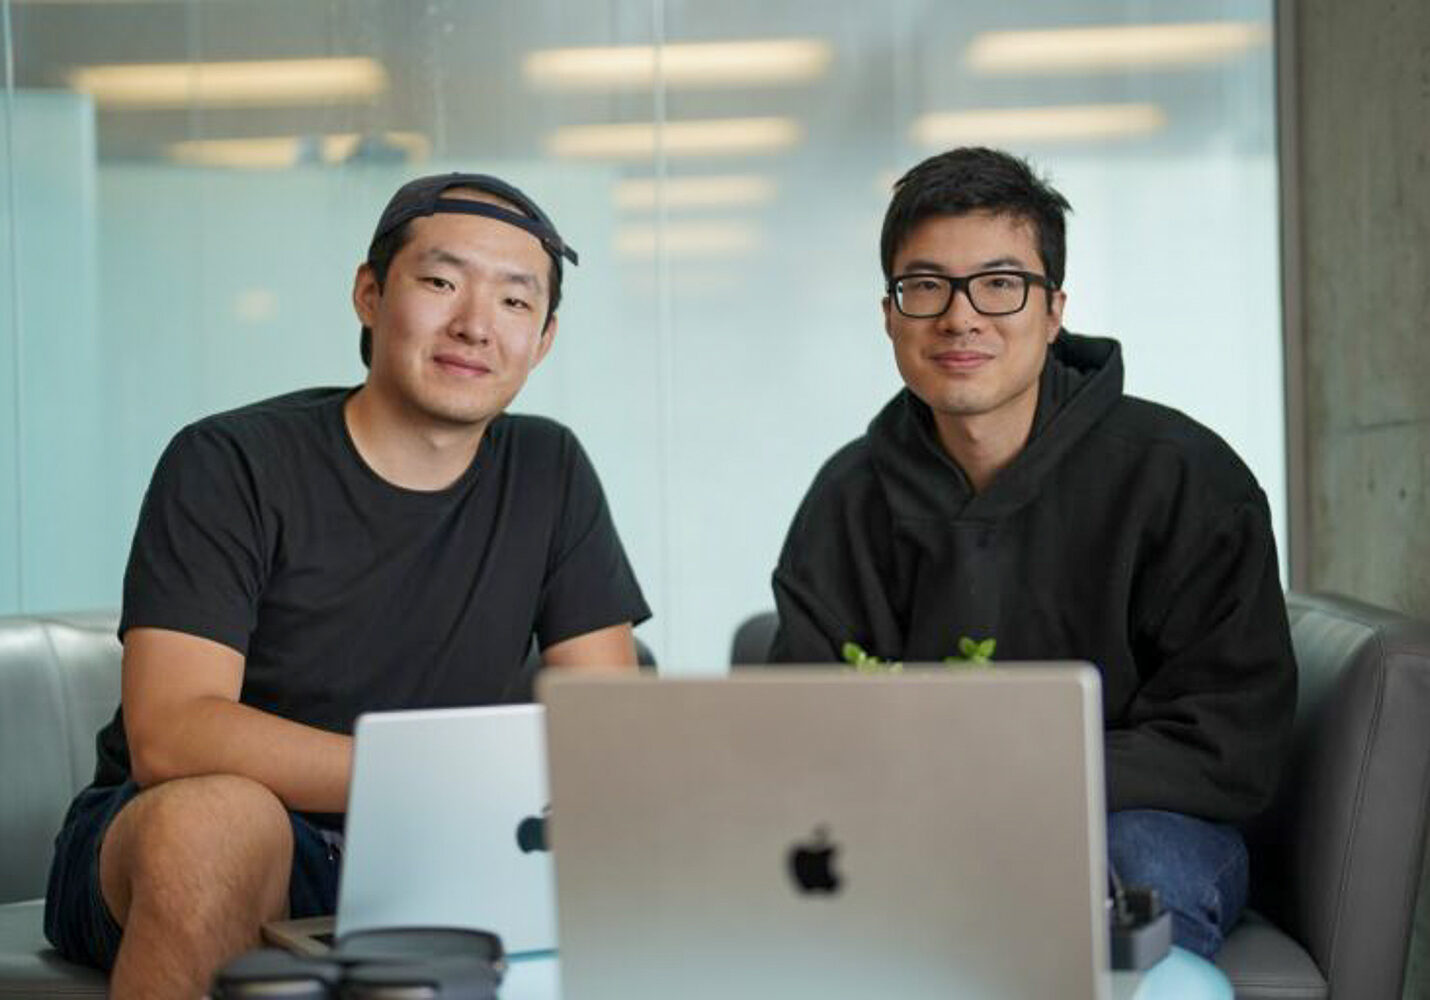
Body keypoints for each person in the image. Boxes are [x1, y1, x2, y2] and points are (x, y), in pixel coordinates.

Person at [44, 172, 650, 998]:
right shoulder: (231, 462)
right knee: (222, 822)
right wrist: (432, 781)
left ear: (542, 340)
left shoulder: (550, 470)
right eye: (440, 282)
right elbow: (172, 734)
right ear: (369, 294)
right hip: (180, 836)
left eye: (515, 302)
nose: (475, 325)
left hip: (438, 848)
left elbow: (605, 730)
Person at [769, 147, 1296, 958]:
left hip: (1133, 826)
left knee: (1136, 866)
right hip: (906, 822)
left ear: (1054, 310)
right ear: (889, 314)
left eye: (1000, 284)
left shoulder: (1186, 479)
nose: (960, 317)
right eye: (925, 286)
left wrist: (1007, 780)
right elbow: (801, 726)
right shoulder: (847, 497)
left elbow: (1229, 747)